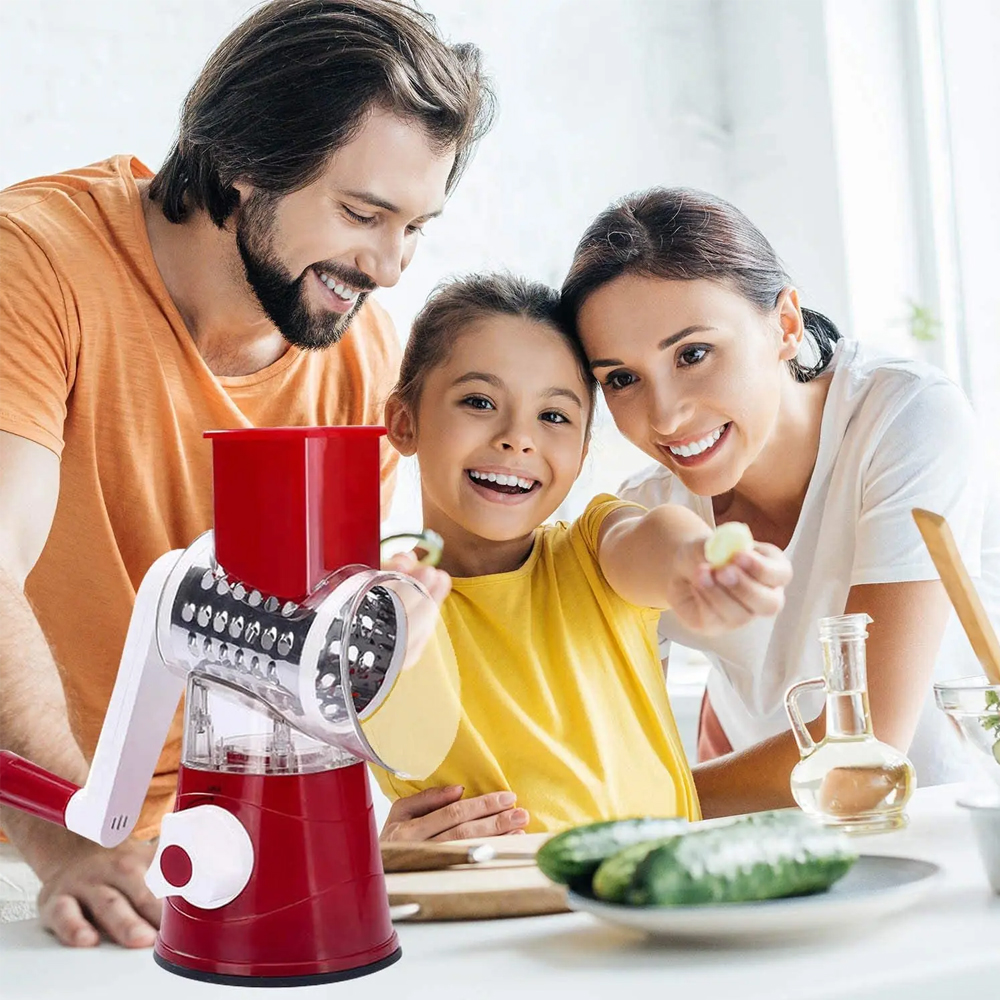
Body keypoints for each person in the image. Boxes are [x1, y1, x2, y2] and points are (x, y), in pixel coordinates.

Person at [0, 0, 493, 949]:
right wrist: (75, 841)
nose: (390, 267)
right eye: (362, 214)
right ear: (243, 161)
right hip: (42, 844)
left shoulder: (359, 355)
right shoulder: (34, 263)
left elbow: (294, 665)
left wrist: (382, 663)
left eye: (416, 227)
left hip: (214, 851)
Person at [560, 187, 1000, 818]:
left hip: (950, 825)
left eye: (693, 354)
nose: (665, 416)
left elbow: (865, 750)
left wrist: (651, 800)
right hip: (777, 844)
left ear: (786, 324)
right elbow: (609, 750)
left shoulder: (903, 418)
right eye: (622, 379)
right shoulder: (648, 518)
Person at [373, 273, 791, 841]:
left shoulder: (594, 550)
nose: (518, 438)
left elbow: (653, 537)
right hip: (482, 896)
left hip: (663, 890)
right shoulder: (374, 611)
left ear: (582, 450)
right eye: (479, 402)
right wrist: (388, 858)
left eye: (553, 416)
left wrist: (697, 558)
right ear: (404, 423)